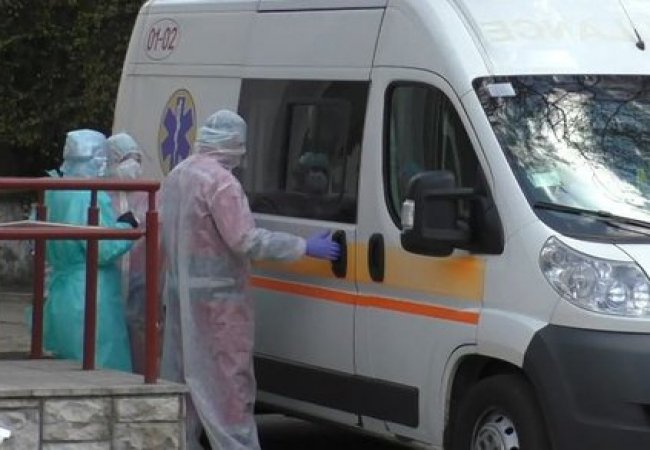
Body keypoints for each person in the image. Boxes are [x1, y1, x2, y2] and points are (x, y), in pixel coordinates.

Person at [160, 110, 341, 450]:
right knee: (230, 390)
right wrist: (303, 246)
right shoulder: (222, 184)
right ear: (234, 143)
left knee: (184, 389)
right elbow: (246, 240)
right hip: (220, 304)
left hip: (182, 299)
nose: (243, 155)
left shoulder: (178, 175)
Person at [43, 129, 135, 371]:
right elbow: (103, 248)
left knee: (68, 366)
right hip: (92, 292)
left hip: (62, 292)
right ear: (99, 159)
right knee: (103, 365)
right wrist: (127, 227)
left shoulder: (54, 190)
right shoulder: (90, 195)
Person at [106, 132, 151, 374]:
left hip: (138, 280)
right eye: (126, 159)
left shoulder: (147, 195)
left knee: (139, 328)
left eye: (137, 158)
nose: (133, 165)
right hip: (108, 279)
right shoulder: (100, 195)